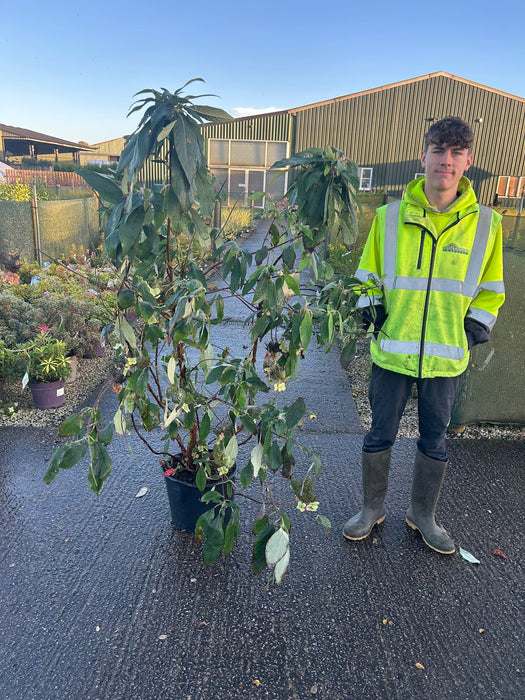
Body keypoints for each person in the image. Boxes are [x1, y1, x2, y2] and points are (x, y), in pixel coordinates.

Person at [343, 116, 505, 554]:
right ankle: (371, 509)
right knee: (379, 434)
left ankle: (422, 515)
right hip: (391, 352)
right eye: (438, 150)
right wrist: (370, 309)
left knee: (435, 439)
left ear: (468, 160)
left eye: (456, 152)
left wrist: (475, 327)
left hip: (447, 358)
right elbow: (366, 276)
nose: (446, 161)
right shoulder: (389, 216)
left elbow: (491, 289)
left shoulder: (487, 225)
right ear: (424, 156)